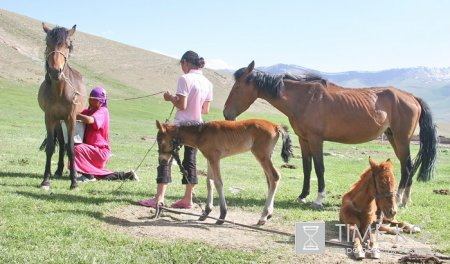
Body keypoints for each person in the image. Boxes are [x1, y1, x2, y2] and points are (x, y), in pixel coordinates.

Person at [139, 50, 213, 209]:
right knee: (190, 161)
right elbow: (205, 110)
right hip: (197, 128)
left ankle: (159, 198)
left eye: (182, 64)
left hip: (180, 128)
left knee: (165, 157)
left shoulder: (184, 79)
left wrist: (169, 98)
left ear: (185, 62)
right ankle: (187, 199)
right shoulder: (208, 83)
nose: (182, 68)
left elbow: (182, 105)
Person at [73, 86, 139, 182]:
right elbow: (77, 111)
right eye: (90, 98)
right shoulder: (90, 111)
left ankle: (88, 176)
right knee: (100, 175)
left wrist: (76, 115)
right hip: (91, 151)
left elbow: (90, 120)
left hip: (99, 151)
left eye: (93, 99)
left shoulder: (103, 111)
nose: (90, 101)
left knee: (75, 148)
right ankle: (127, 175)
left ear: (101, 101)